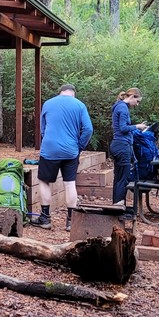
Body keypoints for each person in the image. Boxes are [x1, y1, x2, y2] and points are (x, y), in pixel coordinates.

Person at [35, 84, 94, 230]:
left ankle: (45, 218)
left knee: (44, 181)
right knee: (69, 183)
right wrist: (80, 146)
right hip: (71, 150)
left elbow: (43, 129)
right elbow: (88, 129)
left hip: (50, 149)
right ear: (73, 93)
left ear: (60, 92)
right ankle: (70, 221)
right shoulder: (80, 105)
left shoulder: (48, 103)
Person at [110, 88, 149, 220]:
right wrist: (137, 126)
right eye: (137, 101)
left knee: (118, 178)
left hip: (118, 145)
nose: (137, 104)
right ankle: (119, 208)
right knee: (123, 178)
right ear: (132, 96)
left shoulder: (119, 107)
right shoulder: (123, 108)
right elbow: (123, 128)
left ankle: (117, 206)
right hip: (122, 146)